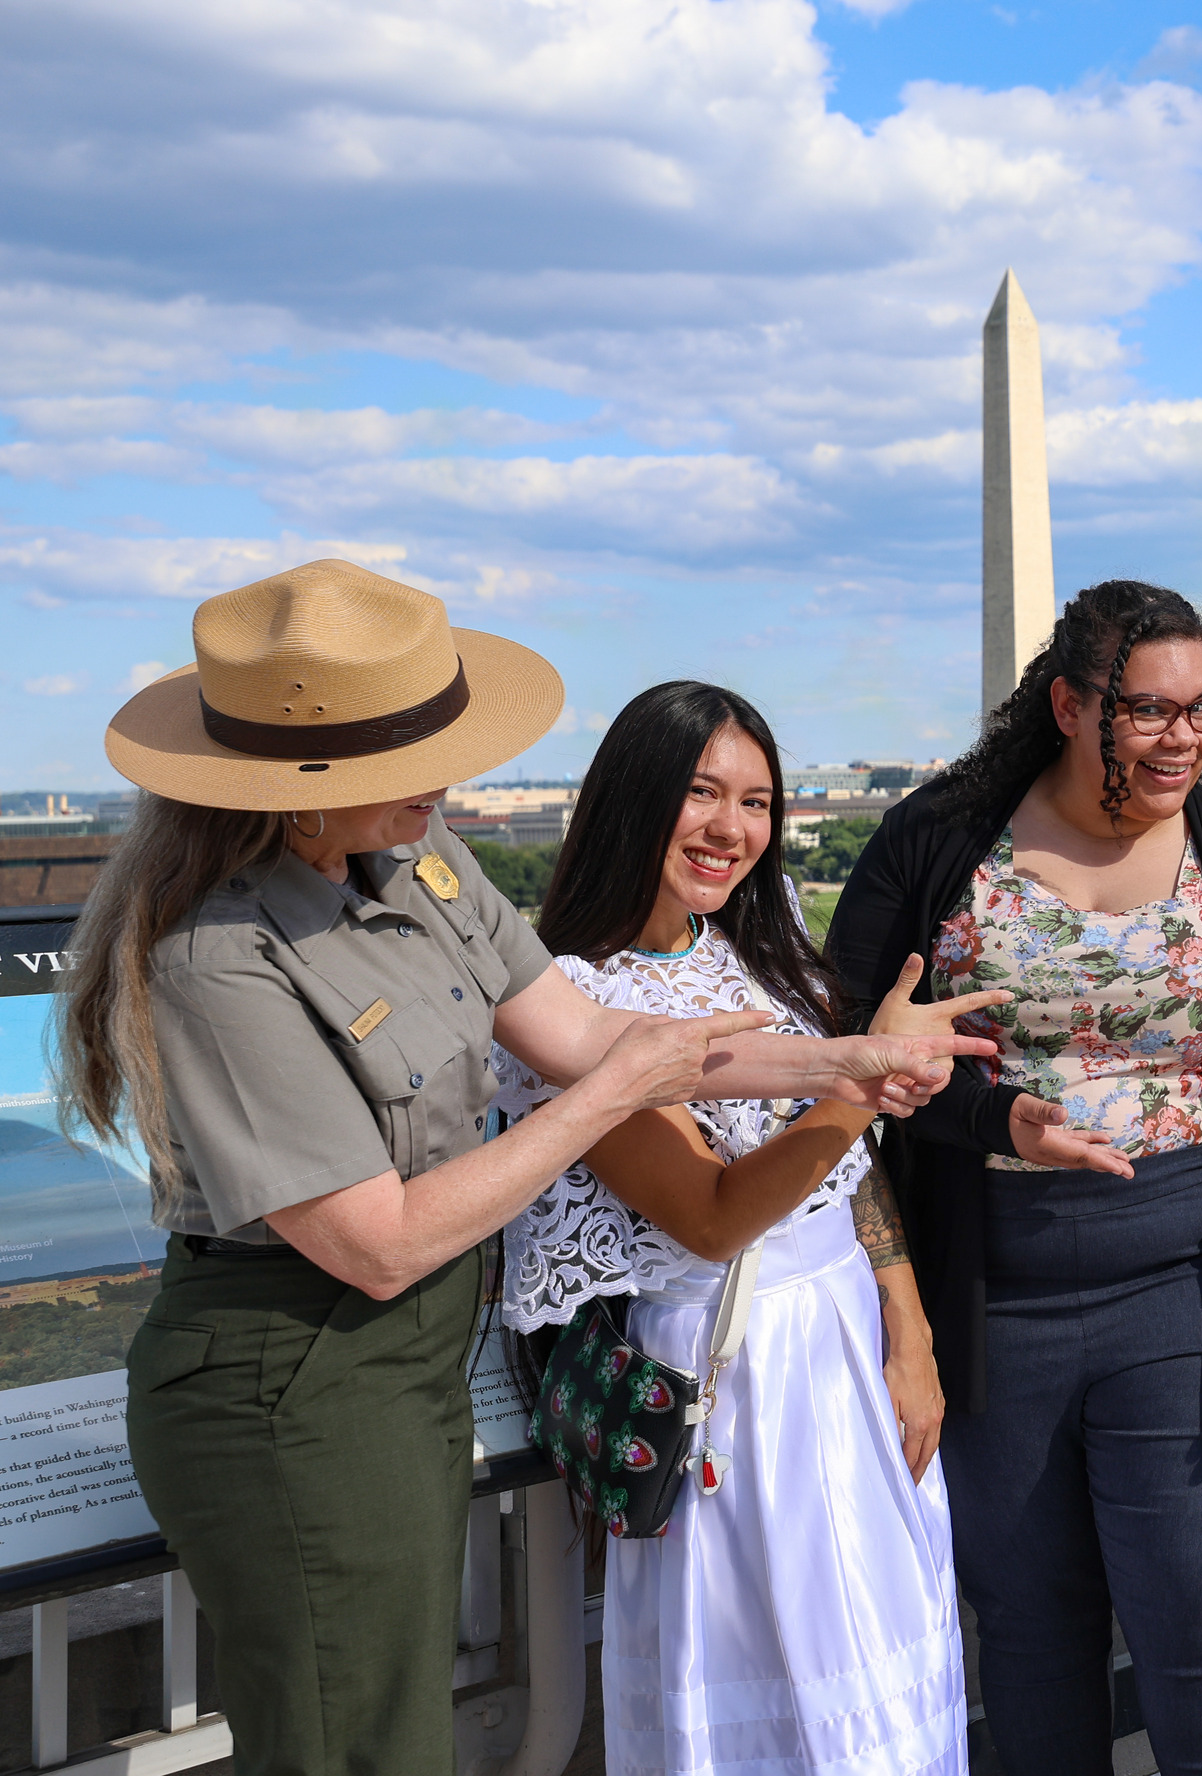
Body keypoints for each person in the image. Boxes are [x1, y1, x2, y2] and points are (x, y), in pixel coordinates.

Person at [62, 559, 980, 1776]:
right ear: (297, 791)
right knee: (355, 1738)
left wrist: (849, 1058)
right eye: (409, 759)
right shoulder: (217, 958)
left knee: (397, 1719)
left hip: (406, 1360)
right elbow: (379, 1235)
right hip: (294, 1365)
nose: (447, 780)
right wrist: (626, 1094)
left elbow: (600, 1036)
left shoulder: (418, 864)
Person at [824, 578, 1202, 1776]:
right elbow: (853, 1050)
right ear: (1067, 703)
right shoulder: (941, 840)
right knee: (1034, 1635)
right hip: (989, 1300)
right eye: (1149, 712)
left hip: (1188, 1296)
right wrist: (997, 1112)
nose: (1187, 738)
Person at [491, 681, 979, 1773]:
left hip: (846, 1346)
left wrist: (911, 1331)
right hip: (731, 1379)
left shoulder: (764, 941)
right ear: (631, 797)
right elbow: (712, 1216)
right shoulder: (571, 997)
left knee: (884, 1679)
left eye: (757, 801)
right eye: (702, 792)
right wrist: (866, 1071)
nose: (732, 828)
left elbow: (840, 1173)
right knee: (767, 1687)